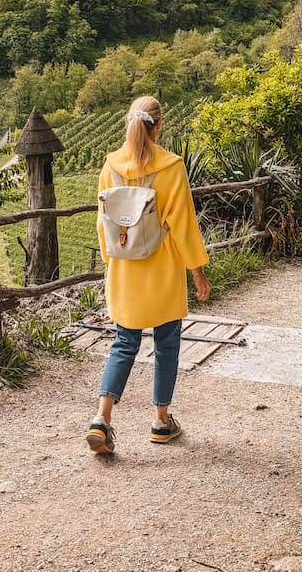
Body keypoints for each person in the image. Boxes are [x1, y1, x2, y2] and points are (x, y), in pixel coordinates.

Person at [86, 95, 211, 455]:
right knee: (167, 342)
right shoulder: (171, 166)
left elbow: (102, 223)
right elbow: (183, 224)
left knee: (124, 343)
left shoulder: (111, 165)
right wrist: (197, 273)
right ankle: (160, 422)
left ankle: (102, 420)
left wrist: (112, 266)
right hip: (162, 265)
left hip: (125, 267)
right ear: (159, 126)